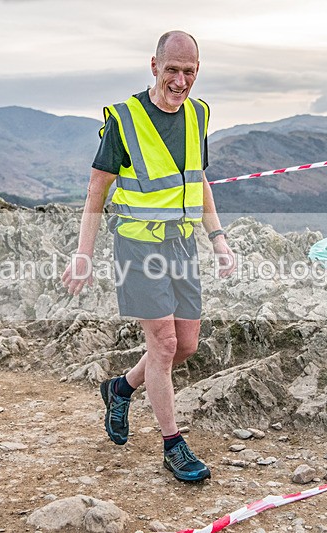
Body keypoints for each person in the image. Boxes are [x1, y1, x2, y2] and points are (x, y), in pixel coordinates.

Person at [61, 30, 235, 482]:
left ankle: (120, 388)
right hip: (138, 246)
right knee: (163, 344)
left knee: (187, 346)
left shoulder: (199, 114)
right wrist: (84, 254)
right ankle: (172, 444)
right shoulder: (124, 119)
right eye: (172, 70)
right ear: (154, 65)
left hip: (181, 244)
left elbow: (199, 181)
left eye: (190, 72)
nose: (180, 81)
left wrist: (217, 237)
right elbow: (96, 191)